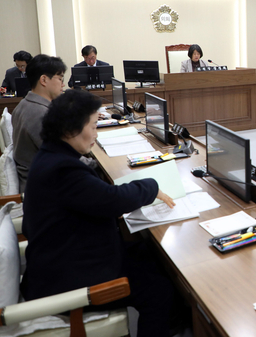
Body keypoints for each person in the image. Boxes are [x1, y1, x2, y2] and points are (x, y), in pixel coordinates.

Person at [20, 89, 182, 336]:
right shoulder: (63, 169)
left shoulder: (51, 156)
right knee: (159, 291)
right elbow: (113, 199)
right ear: (70, 130)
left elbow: (95, 199)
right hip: (67, 279)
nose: (96, 134)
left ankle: (175, 321)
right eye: (94, 126)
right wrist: (152, 187)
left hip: (65, 256)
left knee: (148, 253)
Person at [12, 54, 67, 192]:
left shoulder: (24, 104)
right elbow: (65, 156)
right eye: (60, 79)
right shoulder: (39, 113)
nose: (63, 84)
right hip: (44, 187)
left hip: (38, 178)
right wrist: (96, 164)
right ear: (44, 80)